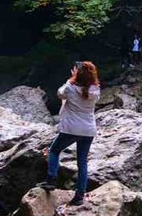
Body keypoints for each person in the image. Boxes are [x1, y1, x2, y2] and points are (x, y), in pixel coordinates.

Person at [41, 61, 101, 206]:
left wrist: (71, 78)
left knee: (54, 150)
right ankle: (80, 195)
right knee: (82, 162)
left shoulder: (70, 87)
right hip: (88, 130)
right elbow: (85, 89)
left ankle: (51, 179)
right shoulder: (95, 90)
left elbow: (59, 93)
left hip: (71, 129)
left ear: (77, 73)